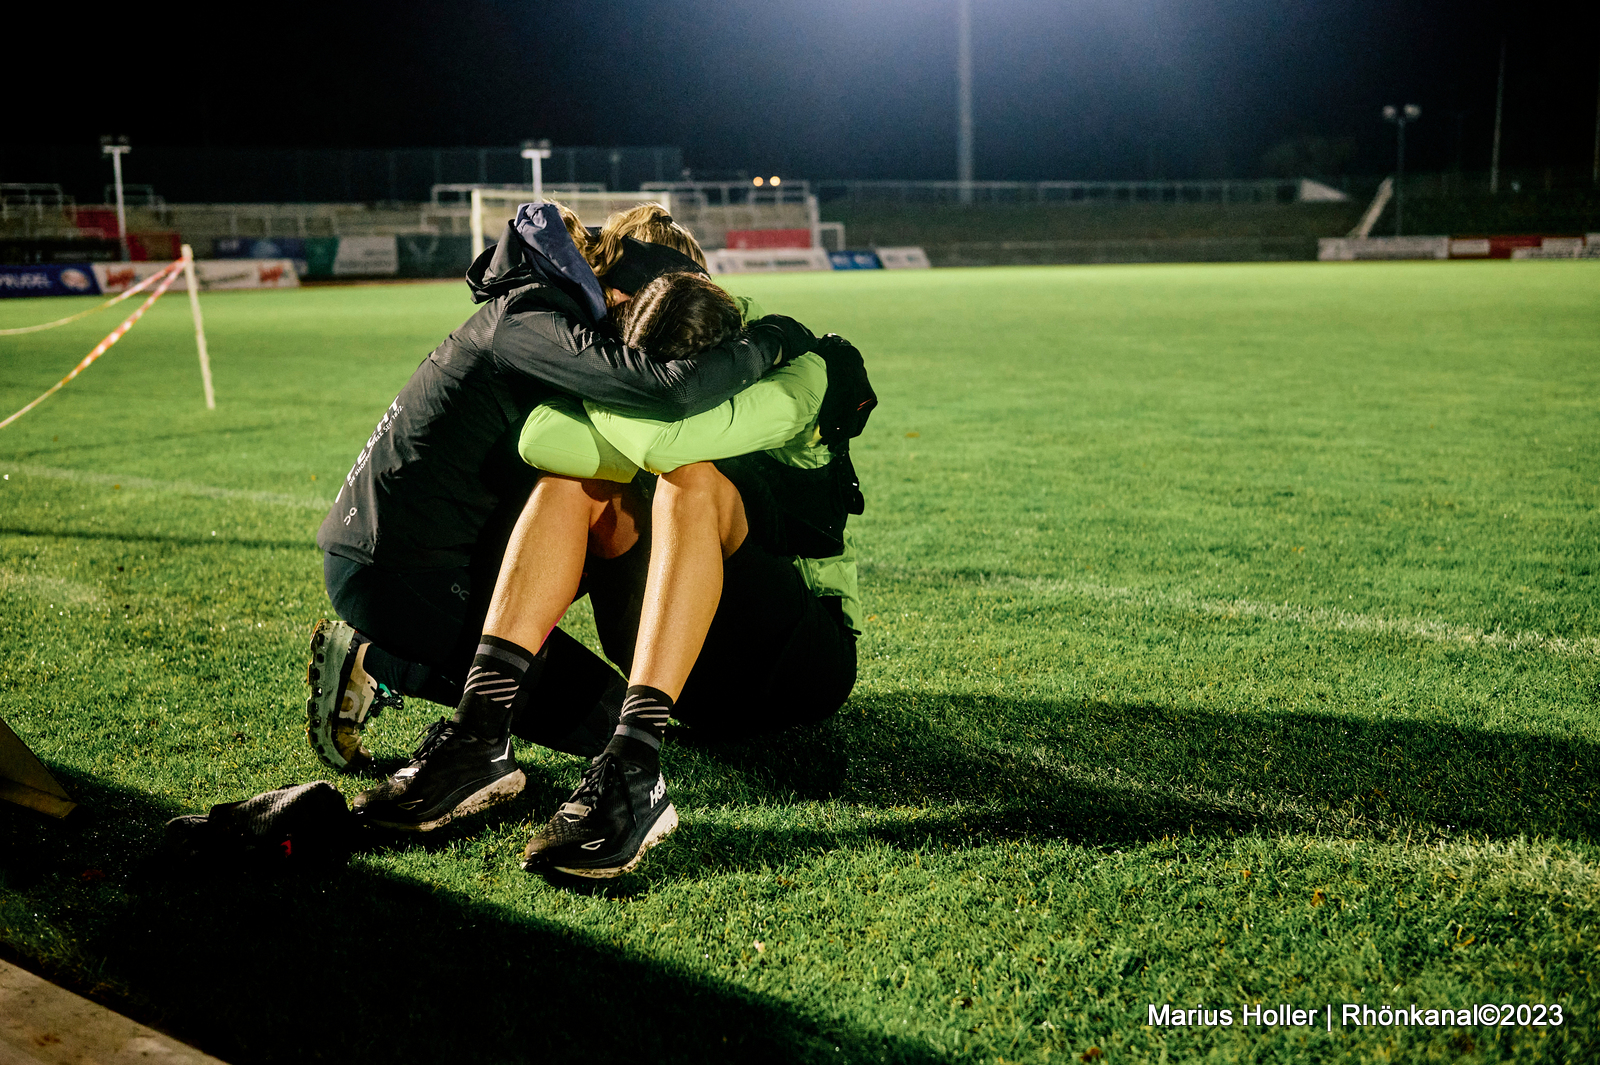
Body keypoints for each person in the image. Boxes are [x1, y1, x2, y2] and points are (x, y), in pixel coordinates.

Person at [354, 269, 874, 878]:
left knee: (692, 480)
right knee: (576, 482)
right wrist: (637, 394)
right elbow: (540, 436)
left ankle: (635, 770)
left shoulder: (805, 370)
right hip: (683, 664)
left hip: (796, 662)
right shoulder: (653, 349)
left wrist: (618, 398)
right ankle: (480, 736)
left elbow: (669, 442)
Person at [308, 202, 815, 773]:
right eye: (660, 303)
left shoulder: (552, 306)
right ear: (633, 287)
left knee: (603, 506)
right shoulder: (532, 318)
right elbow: (665, 390)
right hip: (398, 575)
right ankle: (380, 663)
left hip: (431, 553)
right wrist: (768, 342)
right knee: (602, 723)